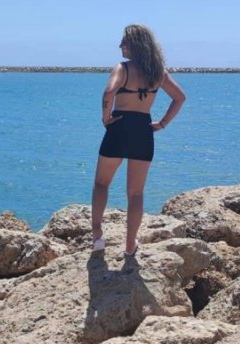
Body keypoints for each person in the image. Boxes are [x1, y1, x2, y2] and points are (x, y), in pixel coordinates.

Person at [91, 24, 186, 255]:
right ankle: (130, 245)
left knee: (102, 183)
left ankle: (97, 237)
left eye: (124, 41)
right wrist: (162, 124)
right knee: (136, 193)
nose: (120, 45)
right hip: (143, 130)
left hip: (119, 127)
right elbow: (180, 97)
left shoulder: (122, 68)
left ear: (134, 44)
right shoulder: (158, 72)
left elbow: (109, 92)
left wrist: (105, 117)